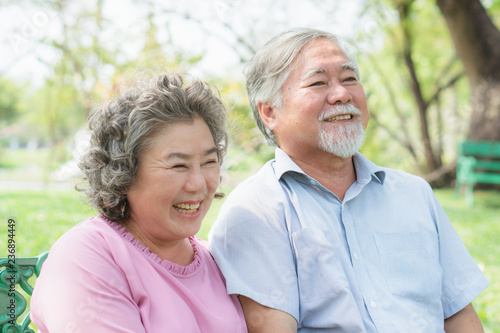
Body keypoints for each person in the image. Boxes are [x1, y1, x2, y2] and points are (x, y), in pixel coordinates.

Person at [208, 27, 489, 332]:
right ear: (269, 112)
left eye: (350, 79)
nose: (342, 94)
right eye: (318, 82)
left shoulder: (414, 193)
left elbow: (459, 316)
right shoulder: (255, 210)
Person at [31, 73, 247, 332]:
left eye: (209, 162)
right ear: (124, 172)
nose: (199, 184)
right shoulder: (86, 256)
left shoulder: (218, 259)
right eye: (178, 165)